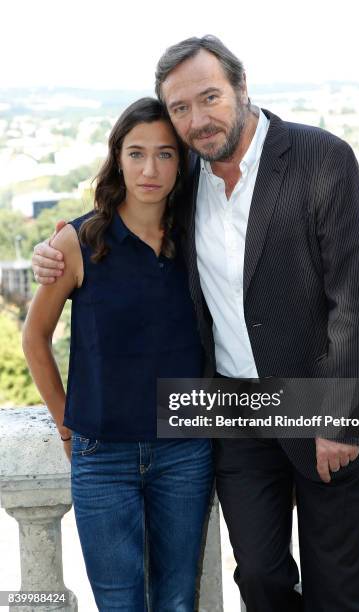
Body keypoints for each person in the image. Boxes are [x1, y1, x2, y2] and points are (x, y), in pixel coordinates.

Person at [32, 36, 359, 612]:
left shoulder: (320, 157)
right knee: (260, 577)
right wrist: (53, 253)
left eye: (210, 97)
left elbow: (358, 299)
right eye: (180, 108)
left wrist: (337, 416)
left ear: (243, 89)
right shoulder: (187, 177)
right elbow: (121, 218)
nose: (197, 119)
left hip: (320, 406)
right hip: (236, 415)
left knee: (338, 589)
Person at [23, 97, 214, 612]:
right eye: (136, 153)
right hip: (102, 454)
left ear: (183, 162)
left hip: (184, 450)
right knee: (119, 603)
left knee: (176, 599)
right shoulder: (78, 242)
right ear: (118, 158)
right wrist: (67, 424)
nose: (150, 169)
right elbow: (34, 338)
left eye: (165, 154)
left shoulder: (199, 239)